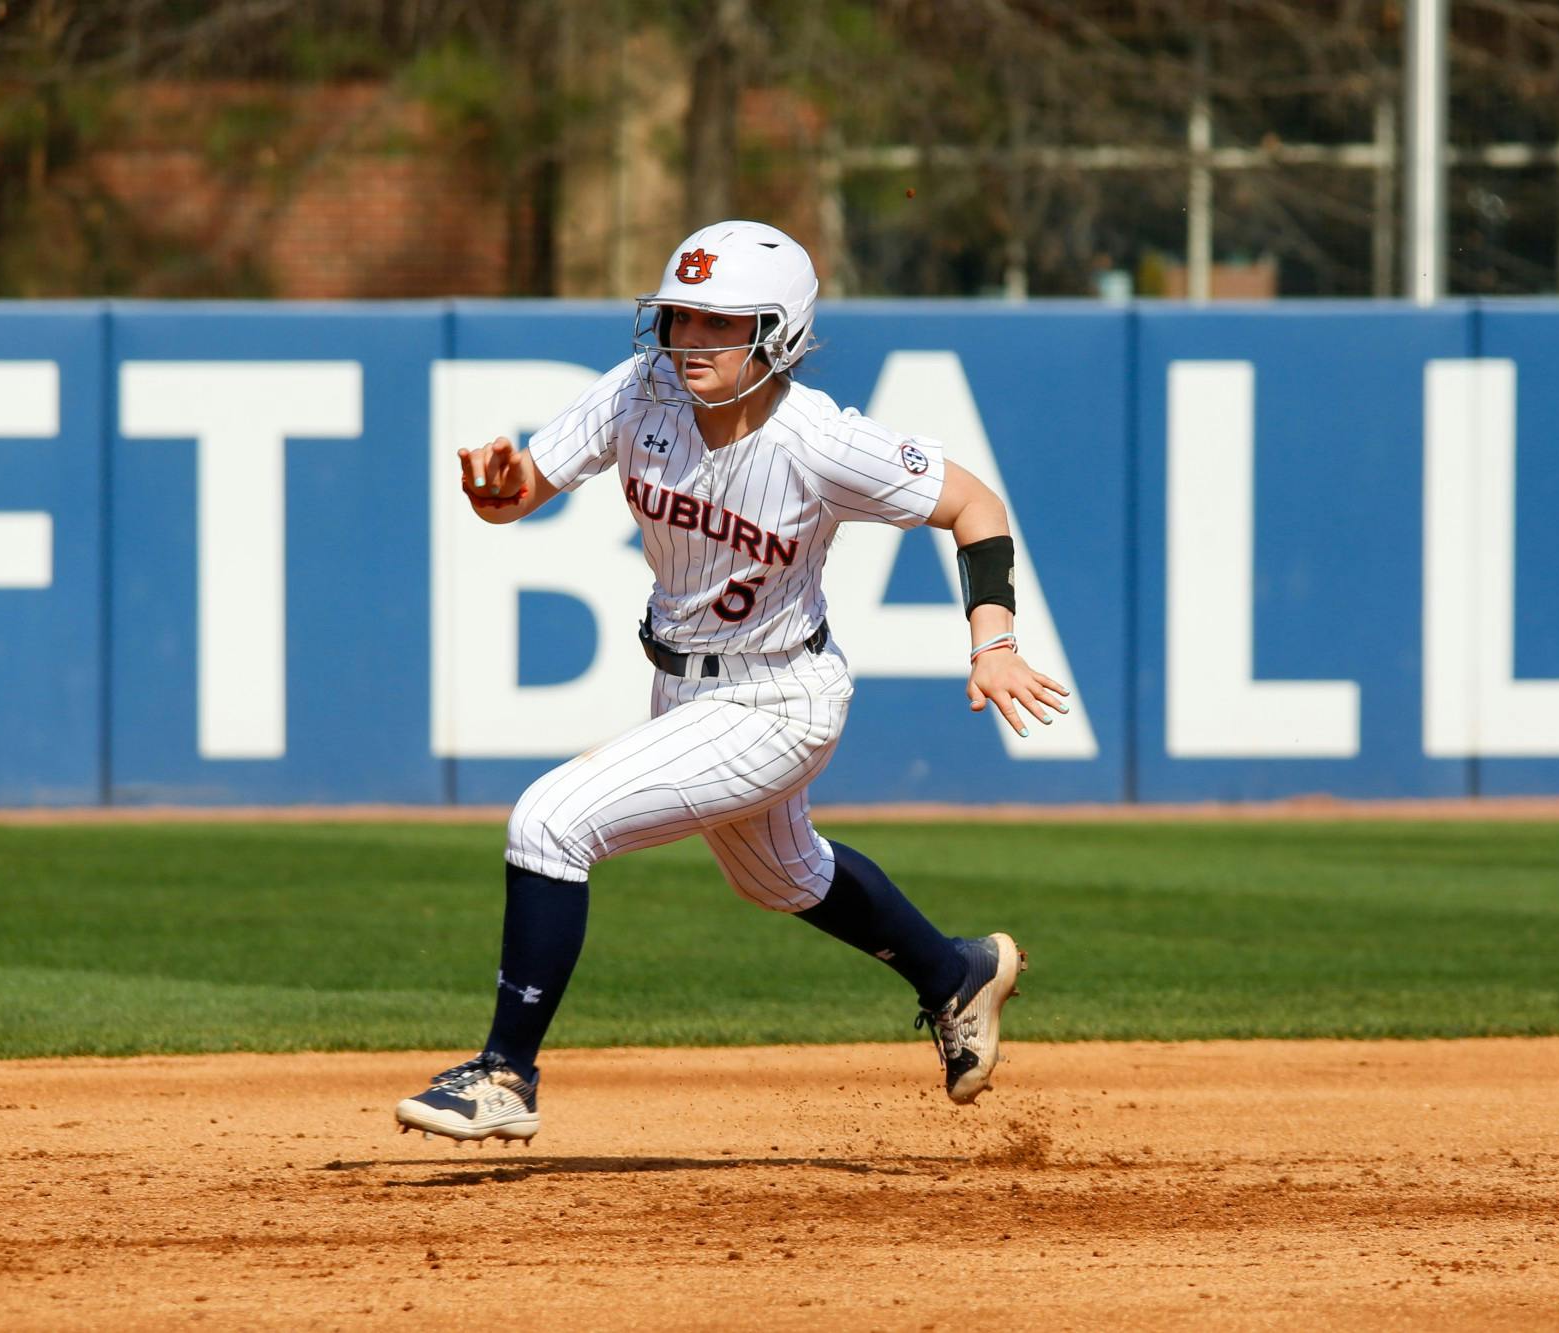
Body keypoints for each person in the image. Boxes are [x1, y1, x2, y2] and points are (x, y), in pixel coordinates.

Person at [395, 220, 1069, 1144]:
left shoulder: (820, 439)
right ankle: (954, 972)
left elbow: (975, 506)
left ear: (778, 333)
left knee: (550, 820)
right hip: (683, 687)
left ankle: (504, 1073)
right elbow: (519, 493)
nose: (691, 340)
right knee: (781, 876)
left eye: (722, 323)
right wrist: (494, 488)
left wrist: (992, 639)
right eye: (680, 317)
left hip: (781, 698)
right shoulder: (643, 391)